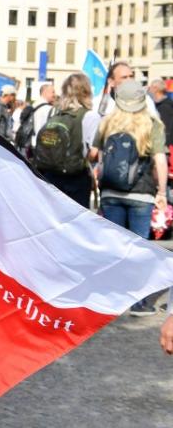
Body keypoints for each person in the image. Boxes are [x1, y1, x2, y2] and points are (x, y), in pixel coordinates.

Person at [90, 80, 167, 315]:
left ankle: (111, 298)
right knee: (139, 249)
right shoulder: (151, 124)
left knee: (114, 245)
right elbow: (159, 160)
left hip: (111, 191)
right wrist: (162, 192)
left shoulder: (107, 122)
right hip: (141, 194)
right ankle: (138, 302)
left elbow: (94, 154)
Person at [34, 73, 99, 208]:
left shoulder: (53, 112)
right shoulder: (90, 116)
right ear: (86, 91)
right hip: (76, 178)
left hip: (50, 175)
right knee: (77, 223)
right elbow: (93, 153)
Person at [149, 79, 173, 147]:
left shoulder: (165, 106)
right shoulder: (159, 104)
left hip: (164, 144)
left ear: (155, 89)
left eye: (150, 88)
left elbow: (166, 129)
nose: (149, 90)